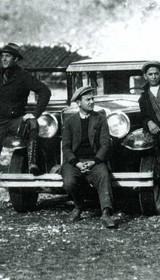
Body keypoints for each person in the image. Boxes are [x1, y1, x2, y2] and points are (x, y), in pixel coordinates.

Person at [61, 86, 117, 228]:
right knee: (68, 183)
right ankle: (79, 206)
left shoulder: (101, 119)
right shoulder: (69, 121)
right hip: (75, 162)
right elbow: (66, 147)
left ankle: (106, 213)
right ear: (79, 103)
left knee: (103, 176)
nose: (92, 102)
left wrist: (94, 162)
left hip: (95, 160)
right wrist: (77, 164)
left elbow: (105, 145)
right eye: (88, 99)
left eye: (92, 99)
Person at [0, 43, 51, 175]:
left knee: (32, 123)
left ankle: (32, 163)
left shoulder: (23, 76)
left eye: (8, 56)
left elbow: (45, 91)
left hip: (15, 121)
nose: (4, 59)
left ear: (15, 59)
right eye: (3, 56)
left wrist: (35, 114)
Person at [139, 61, 160, 185]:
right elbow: (143, 116)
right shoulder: (143, 96)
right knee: (157, 170)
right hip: (156, 136)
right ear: (145, 76)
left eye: (156, 74)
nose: (153, 77)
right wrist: (149, 122)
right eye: (150, 74)